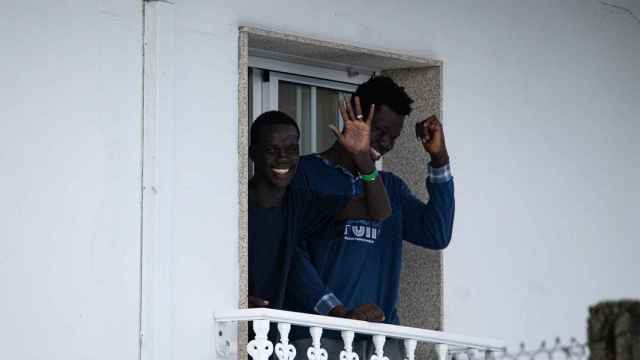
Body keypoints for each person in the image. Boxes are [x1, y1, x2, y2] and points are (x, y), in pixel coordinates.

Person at [285, 76, 455, 359]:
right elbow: (292, 257)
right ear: (354, 116)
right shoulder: (304, 174)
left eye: (394, 137)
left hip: (381, 341)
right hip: (316, 336)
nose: (386, 143)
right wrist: (338, 312)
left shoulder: (391, 188)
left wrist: (439, 159)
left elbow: (436, 234)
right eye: (379, 131)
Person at [248, 100, 391, 312]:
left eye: (291, 149)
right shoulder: (234, 204)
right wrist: (232, 296)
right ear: (253, 153)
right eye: (271, 149)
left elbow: (378, 211)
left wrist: (363, 159)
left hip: (274, 337)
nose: (283, 158)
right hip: (227, 331)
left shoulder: (301, 204)